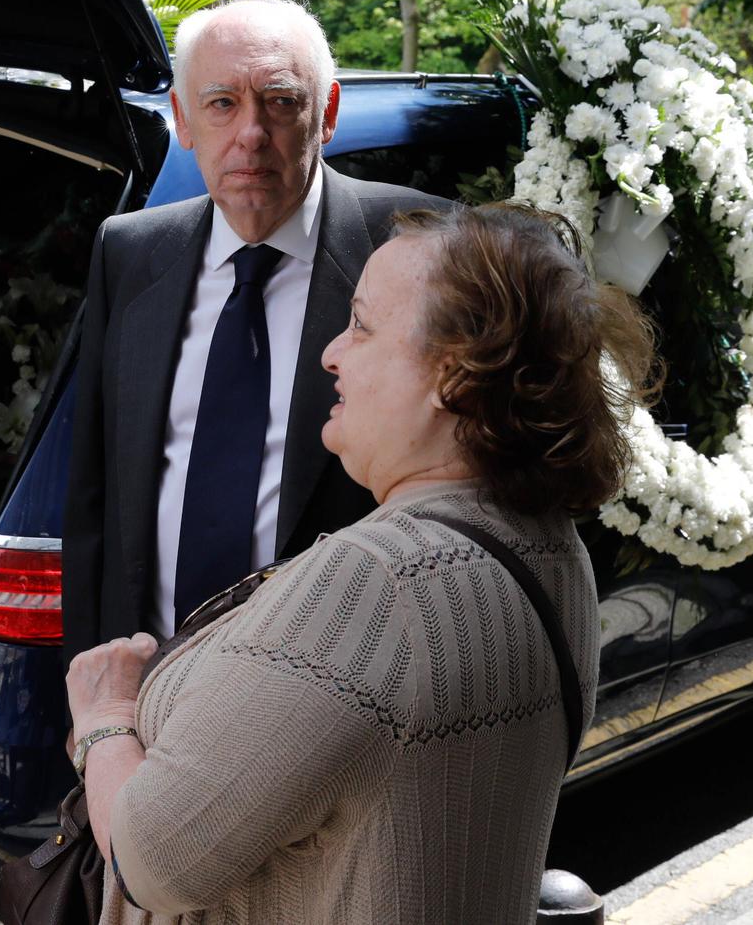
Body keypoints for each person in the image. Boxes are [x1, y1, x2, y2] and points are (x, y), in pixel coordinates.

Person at [64, 204, 660, 924]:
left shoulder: (378, 584)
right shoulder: (553, 548)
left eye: (363, 325)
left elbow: (153, 861)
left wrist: (104, 715)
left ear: (457, 375)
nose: (331, 352)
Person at [61, 0, 446, 658]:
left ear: (325, 114)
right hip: (149, 698)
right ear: (183, 119)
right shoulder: (127, 253)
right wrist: (93, 692)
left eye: (280, 100)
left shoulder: (422, 249)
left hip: (343, 696)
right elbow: (94, 502)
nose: (251, 133)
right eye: (221, 104)